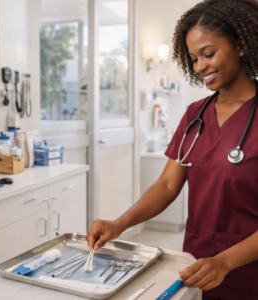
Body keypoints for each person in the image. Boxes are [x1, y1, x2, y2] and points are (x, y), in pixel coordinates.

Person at [86, 0, 258, 299]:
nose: (200, 66)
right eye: (193, 58)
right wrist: (120, 223)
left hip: (247, 271)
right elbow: (167, 185)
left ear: (241, 44)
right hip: (195, 265)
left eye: (208, 53)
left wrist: (225, 262)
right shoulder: (195, 114)